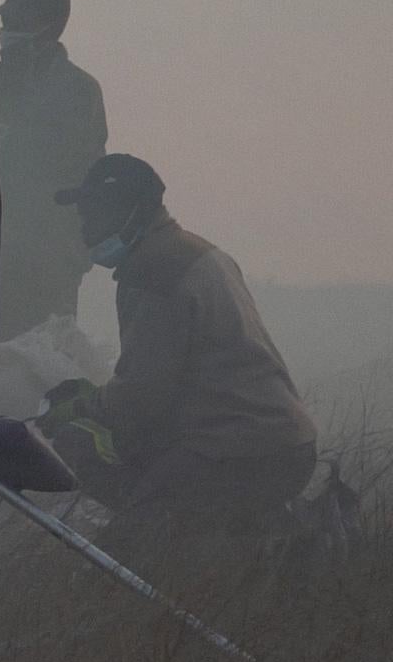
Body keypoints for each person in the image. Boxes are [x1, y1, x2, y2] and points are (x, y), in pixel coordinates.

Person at [41, 154, 317, 552]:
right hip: (288, 445)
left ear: (129, 211)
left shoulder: (153, 271)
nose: (84, 230)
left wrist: (82, 409)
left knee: (124, 562)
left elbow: (142, 395)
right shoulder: (201, 252)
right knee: (224, 555)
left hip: (235, 451)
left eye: (93, 214)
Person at [0, 0, 108, 369]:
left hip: (47, 270)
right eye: (7, 19)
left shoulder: (78, 91)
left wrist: (63, 251)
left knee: (38, 378)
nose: (8, 31)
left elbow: (79, 179)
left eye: (22, 20)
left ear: (52, 26)